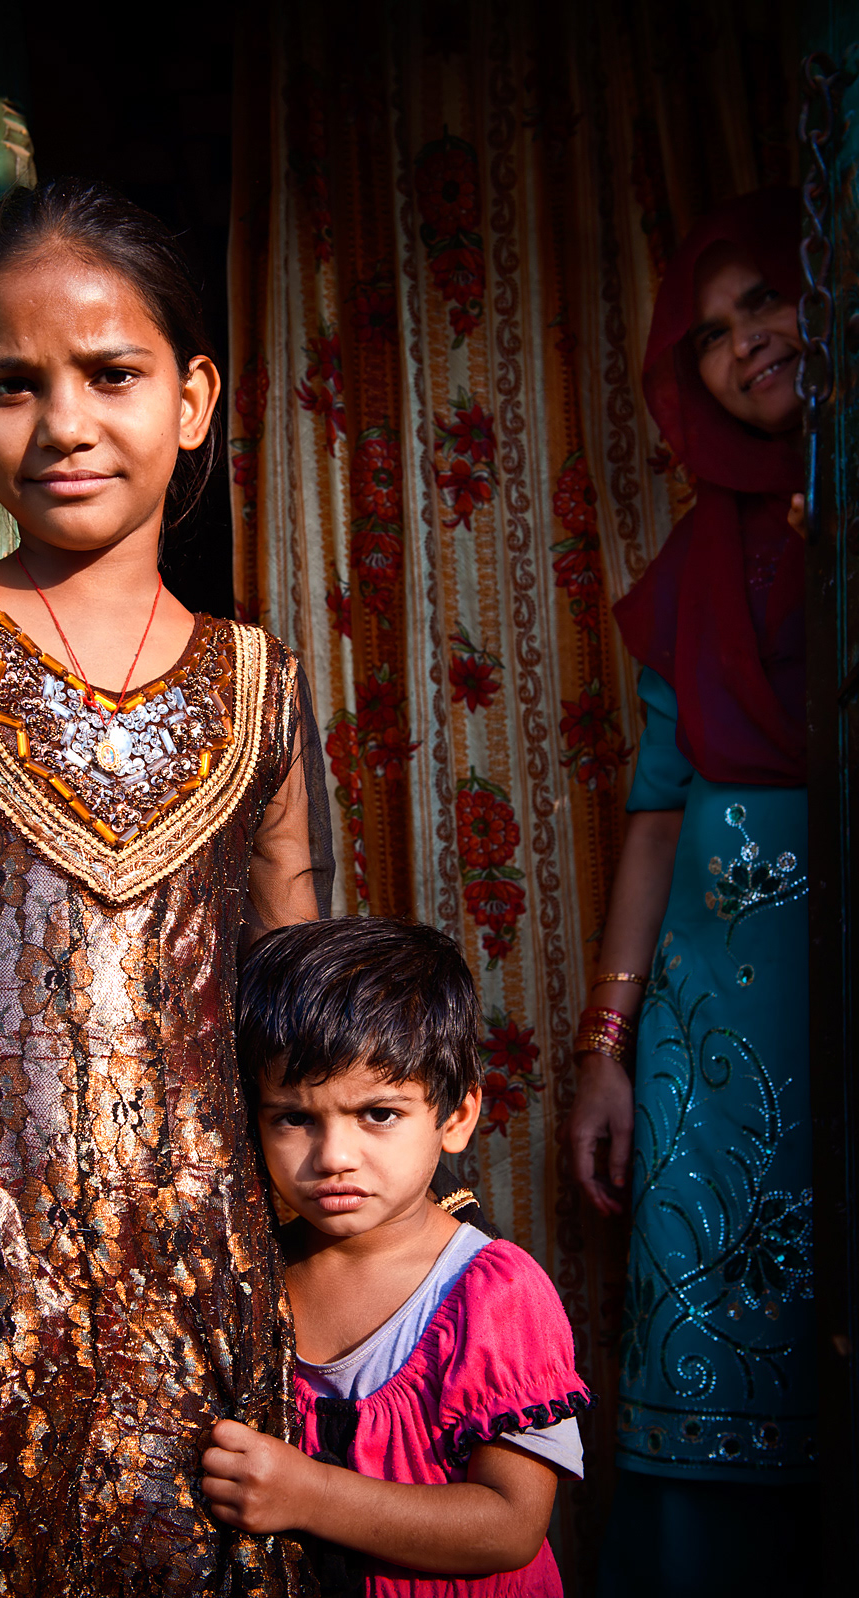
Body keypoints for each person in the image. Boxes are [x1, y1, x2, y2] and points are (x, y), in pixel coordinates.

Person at [0, 178, 334, 1598]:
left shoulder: (261, 686)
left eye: (112, 374)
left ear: (195, 397)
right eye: (10, 383)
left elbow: (307, 1031)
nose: (65, 423)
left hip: (207, 1328)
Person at [565, 187, 815, 1595]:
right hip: (715, 1049)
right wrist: (607, 1055)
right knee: (722, 1358)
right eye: (711, 334)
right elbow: (657, 816)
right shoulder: (690, 576)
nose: (743, 343)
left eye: (763, 302)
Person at [205, 916, 592, 1596]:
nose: (334, 1158)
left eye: (378, 1114)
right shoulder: (250, 1273)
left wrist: (309, 1494)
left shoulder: (492, 1295)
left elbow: (509, 1525)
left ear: (456, 1117)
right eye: (294, 1118)